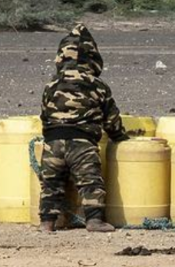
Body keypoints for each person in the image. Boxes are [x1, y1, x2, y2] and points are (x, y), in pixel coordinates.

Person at [38, 24, 129, 232]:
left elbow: (44, 114)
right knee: (90, 182)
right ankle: (94, 220)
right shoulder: (97, 85)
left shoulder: (51, 85)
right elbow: (111, 118)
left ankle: (47, 223)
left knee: (51, 184)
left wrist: (50, 135)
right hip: (82, 143)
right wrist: (119, 137)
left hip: (53, 142)